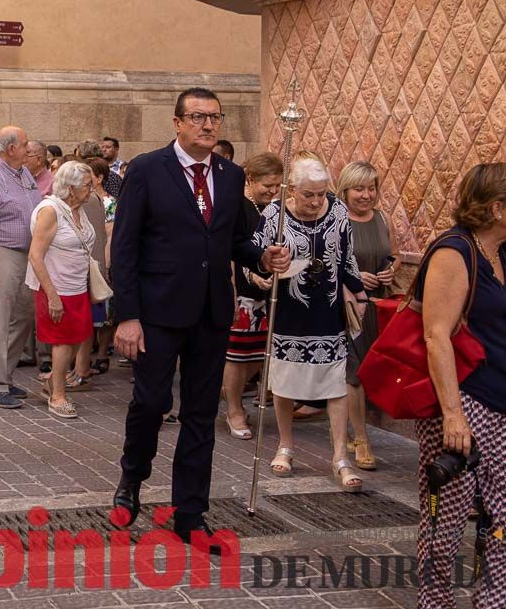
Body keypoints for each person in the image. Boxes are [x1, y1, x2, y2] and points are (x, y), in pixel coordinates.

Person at [110, 87, 289, 549]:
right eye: (198, 117)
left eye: (215, 117)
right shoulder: (148, 170)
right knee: (151, 404)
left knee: (199, 415)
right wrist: (127, 317)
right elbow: (125, 248)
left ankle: (190, 513)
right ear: (177, 123)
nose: (208, 125)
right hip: (156, 313)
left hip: (211, 313)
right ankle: (132, 477)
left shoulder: (230, 176)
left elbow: (235, 239)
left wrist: (262, 255)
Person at [415, 163, 506, 609]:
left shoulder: (501, 252)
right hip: (465, 401)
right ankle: (435, 602)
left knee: (503, 517)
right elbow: (437, 335)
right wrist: (453, 413)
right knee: (446, 520)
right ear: (497, 208)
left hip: (502, 402)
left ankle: (492, 600)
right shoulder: (454, 252)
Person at [255, 158, 369, 492]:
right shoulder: (274, 215)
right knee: (285, 383)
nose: (316, 201)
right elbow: (259, 256)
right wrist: (261, 274)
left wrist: (359, 295)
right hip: (288, 311)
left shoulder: (338, 214)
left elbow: (347, 258)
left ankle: (339, 457)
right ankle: (286, 445)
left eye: (321, 194)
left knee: (335, 383)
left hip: (328, 310)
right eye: (308, 195)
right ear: (292, 189)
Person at [0, 126, 44, 409]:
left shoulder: (23, 173)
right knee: (0, 318)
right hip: (1, 251)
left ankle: (5, 373)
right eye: (25, 144)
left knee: (24, 316)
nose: (29, 149)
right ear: (10, 148)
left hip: (27, 254)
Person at [337, 160, 396, 470]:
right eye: (359, 188)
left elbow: (394, 256)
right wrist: (355, 274)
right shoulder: (337, 221)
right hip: (350, 306)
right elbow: (326, 264)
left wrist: (389, 272)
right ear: (345, 191)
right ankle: (361, 439)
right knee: (355, 371)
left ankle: (350, 429)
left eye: (371, 188)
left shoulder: (383, 218)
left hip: (379, 305)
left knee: (371, 368)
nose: (365, 194)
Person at [221, 152, 282, 439]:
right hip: (244, 292)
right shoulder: (238, 206)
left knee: (260, 354)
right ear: (251, 180)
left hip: (271, 290)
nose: (272, 192)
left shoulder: (275, 208)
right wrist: (250, 275)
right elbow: (231, 250)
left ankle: (227, 392)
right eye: (267, 186)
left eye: (277, 187)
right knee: (238, 355)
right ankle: (234, 409)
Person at [27, 161, 95, 418]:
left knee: (78, 337)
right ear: (70, 188)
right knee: (62, 341)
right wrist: (52, 296)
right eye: (87, 185)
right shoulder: (51, 210)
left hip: (77, 286)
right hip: (55, 287)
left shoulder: (77, 209)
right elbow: (35, 255)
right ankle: (58, 396)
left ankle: (53, 383)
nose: (92, 190)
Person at [83, 157, 118, 377]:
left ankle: (103, 353)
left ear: (99, 177)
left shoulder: (110, 203)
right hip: (84, 261)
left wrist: (105, 266)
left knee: (105, 311)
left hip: (101, 260)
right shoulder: (82, 199)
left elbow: (110, 236)